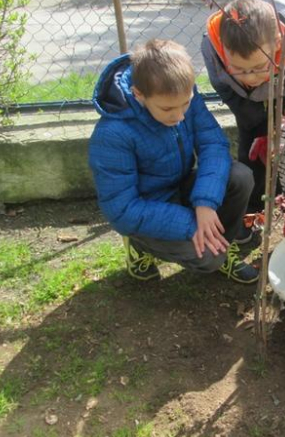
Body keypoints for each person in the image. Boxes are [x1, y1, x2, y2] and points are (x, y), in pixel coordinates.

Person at [88, 39, 259, 284]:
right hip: (146, 206)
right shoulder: (112, 135)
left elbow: (213, 143)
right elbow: (122, 209)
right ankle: (140, 245)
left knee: (240, 177)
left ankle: (223, 245)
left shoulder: (181, 94)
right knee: (209, 256)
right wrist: (192, 226)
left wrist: (205, 203)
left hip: (179, 185)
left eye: (185, 104)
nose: (179, 116)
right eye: (167, 109)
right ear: (139, 94)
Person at [201, 0, 285, 237]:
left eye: (259, 67)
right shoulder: (212, 47)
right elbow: (226, 90)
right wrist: (261, 126)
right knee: (251, 145)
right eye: (240, 68)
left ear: (279, 45)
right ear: (224, 53)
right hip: (248, 97)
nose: (252, 78)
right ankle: (251, 212)